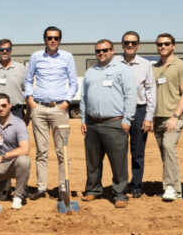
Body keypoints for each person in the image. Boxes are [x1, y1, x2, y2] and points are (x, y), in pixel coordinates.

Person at [24, 26, 77, 200]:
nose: (52, 40)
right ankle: (41, 188)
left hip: (59, 109)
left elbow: (74, 83)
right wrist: (30, 99)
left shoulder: (67, 57)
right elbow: (28, 80)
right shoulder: (36, 57)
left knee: (62, 151)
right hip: (39, 109)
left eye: (55, 38)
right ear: (44, 39)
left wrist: (66, 102)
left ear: (60, 40)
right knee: (41, 151)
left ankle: (63, 188)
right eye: (49, 38)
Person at [80, 40, 135, 208]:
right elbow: (84, 97)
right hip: (92, 123)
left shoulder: (122, 69)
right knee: (93, 161)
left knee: (118, 162)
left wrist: (127, 119)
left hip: (114, 123)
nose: (101, 53)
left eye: (105, 50)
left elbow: (130, 94)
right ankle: (93, 190)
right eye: (98, 51)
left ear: (112, 51)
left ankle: (120, 194)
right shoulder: (90, 71)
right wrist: (83, 119)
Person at [152, 33, 183, 202]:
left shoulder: (181, 66)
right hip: (157, 118)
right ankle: (176, 191)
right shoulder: (154, 68)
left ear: (173, 46)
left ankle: (169, 187)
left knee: (169, 147)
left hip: (174, 117)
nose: (163, 46)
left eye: (166, 43)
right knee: (165, 154)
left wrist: (175, 116)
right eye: (160, 44)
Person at [118, 31, 155, 198]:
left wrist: (148, 117)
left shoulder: (145, 65)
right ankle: (121, 185)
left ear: (138, 45)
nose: (130, 45)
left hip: (139, 110)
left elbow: (150, 91)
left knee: (137, 151)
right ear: (122, 44)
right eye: (127, 42)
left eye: (133, 42)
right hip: (118, 112)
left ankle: (136, 186)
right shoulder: (114, 62)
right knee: (119, 151)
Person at [0, 38, 28, 122]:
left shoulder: (21, 69)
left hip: (17, 112)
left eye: (7, 49)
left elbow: (28, 92)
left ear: (11, 51)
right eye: (1, 49)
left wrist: (28, 114)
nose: (4, 51)